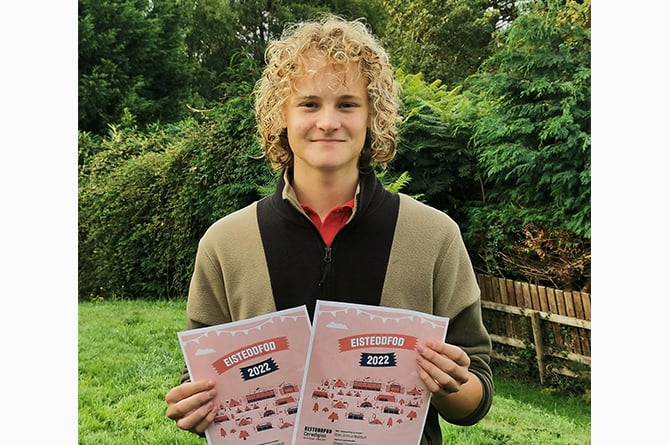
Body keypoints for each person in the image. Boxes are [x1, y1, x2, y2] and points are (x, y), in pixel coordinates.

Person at [165, 14, 493, 445]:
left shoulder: (434, 237)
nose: (327, 121)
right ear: (279, 113)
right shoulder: (225, 244)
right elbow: (199, 379)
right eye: (309, 104)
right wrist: (191, 405)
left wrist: (452, 385)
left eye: (347, 103)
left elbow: (476, 390)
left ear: (373, 114)